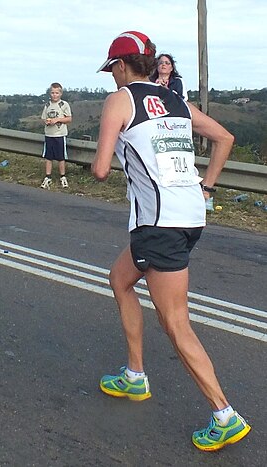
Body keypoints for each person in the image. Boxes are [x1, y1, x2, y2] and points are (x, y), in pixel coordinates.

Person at [92, 30, 251, 452]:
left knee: (175, 322)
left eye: (112, 70)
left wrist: (110, 150)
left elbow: (101, 170)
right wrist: (208, 186)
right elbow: (225, 138)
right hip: (189, 217)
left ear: (122, 67)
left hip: (158, 224)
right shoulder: (176, 99)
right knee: (120, 279)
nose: (112, 77)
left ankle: (224, 415)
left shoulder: (120, 99)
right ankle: (134, 375)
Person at [41, 82, 72, 189]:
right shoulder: (47, 105)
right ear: (50, 93)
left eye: (57, 93)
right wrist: (47, 121)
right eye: (53, 93)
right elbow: (43, 118)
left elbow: (69, 118)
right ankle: (47, 177)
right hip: (49, 135)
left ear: (60, 94)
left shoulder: (64, 105)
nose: (55, 95)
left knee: (61, 157)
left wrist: (58, 119)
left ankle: (62, 177)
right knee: (48, 157)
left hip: (60, 134)